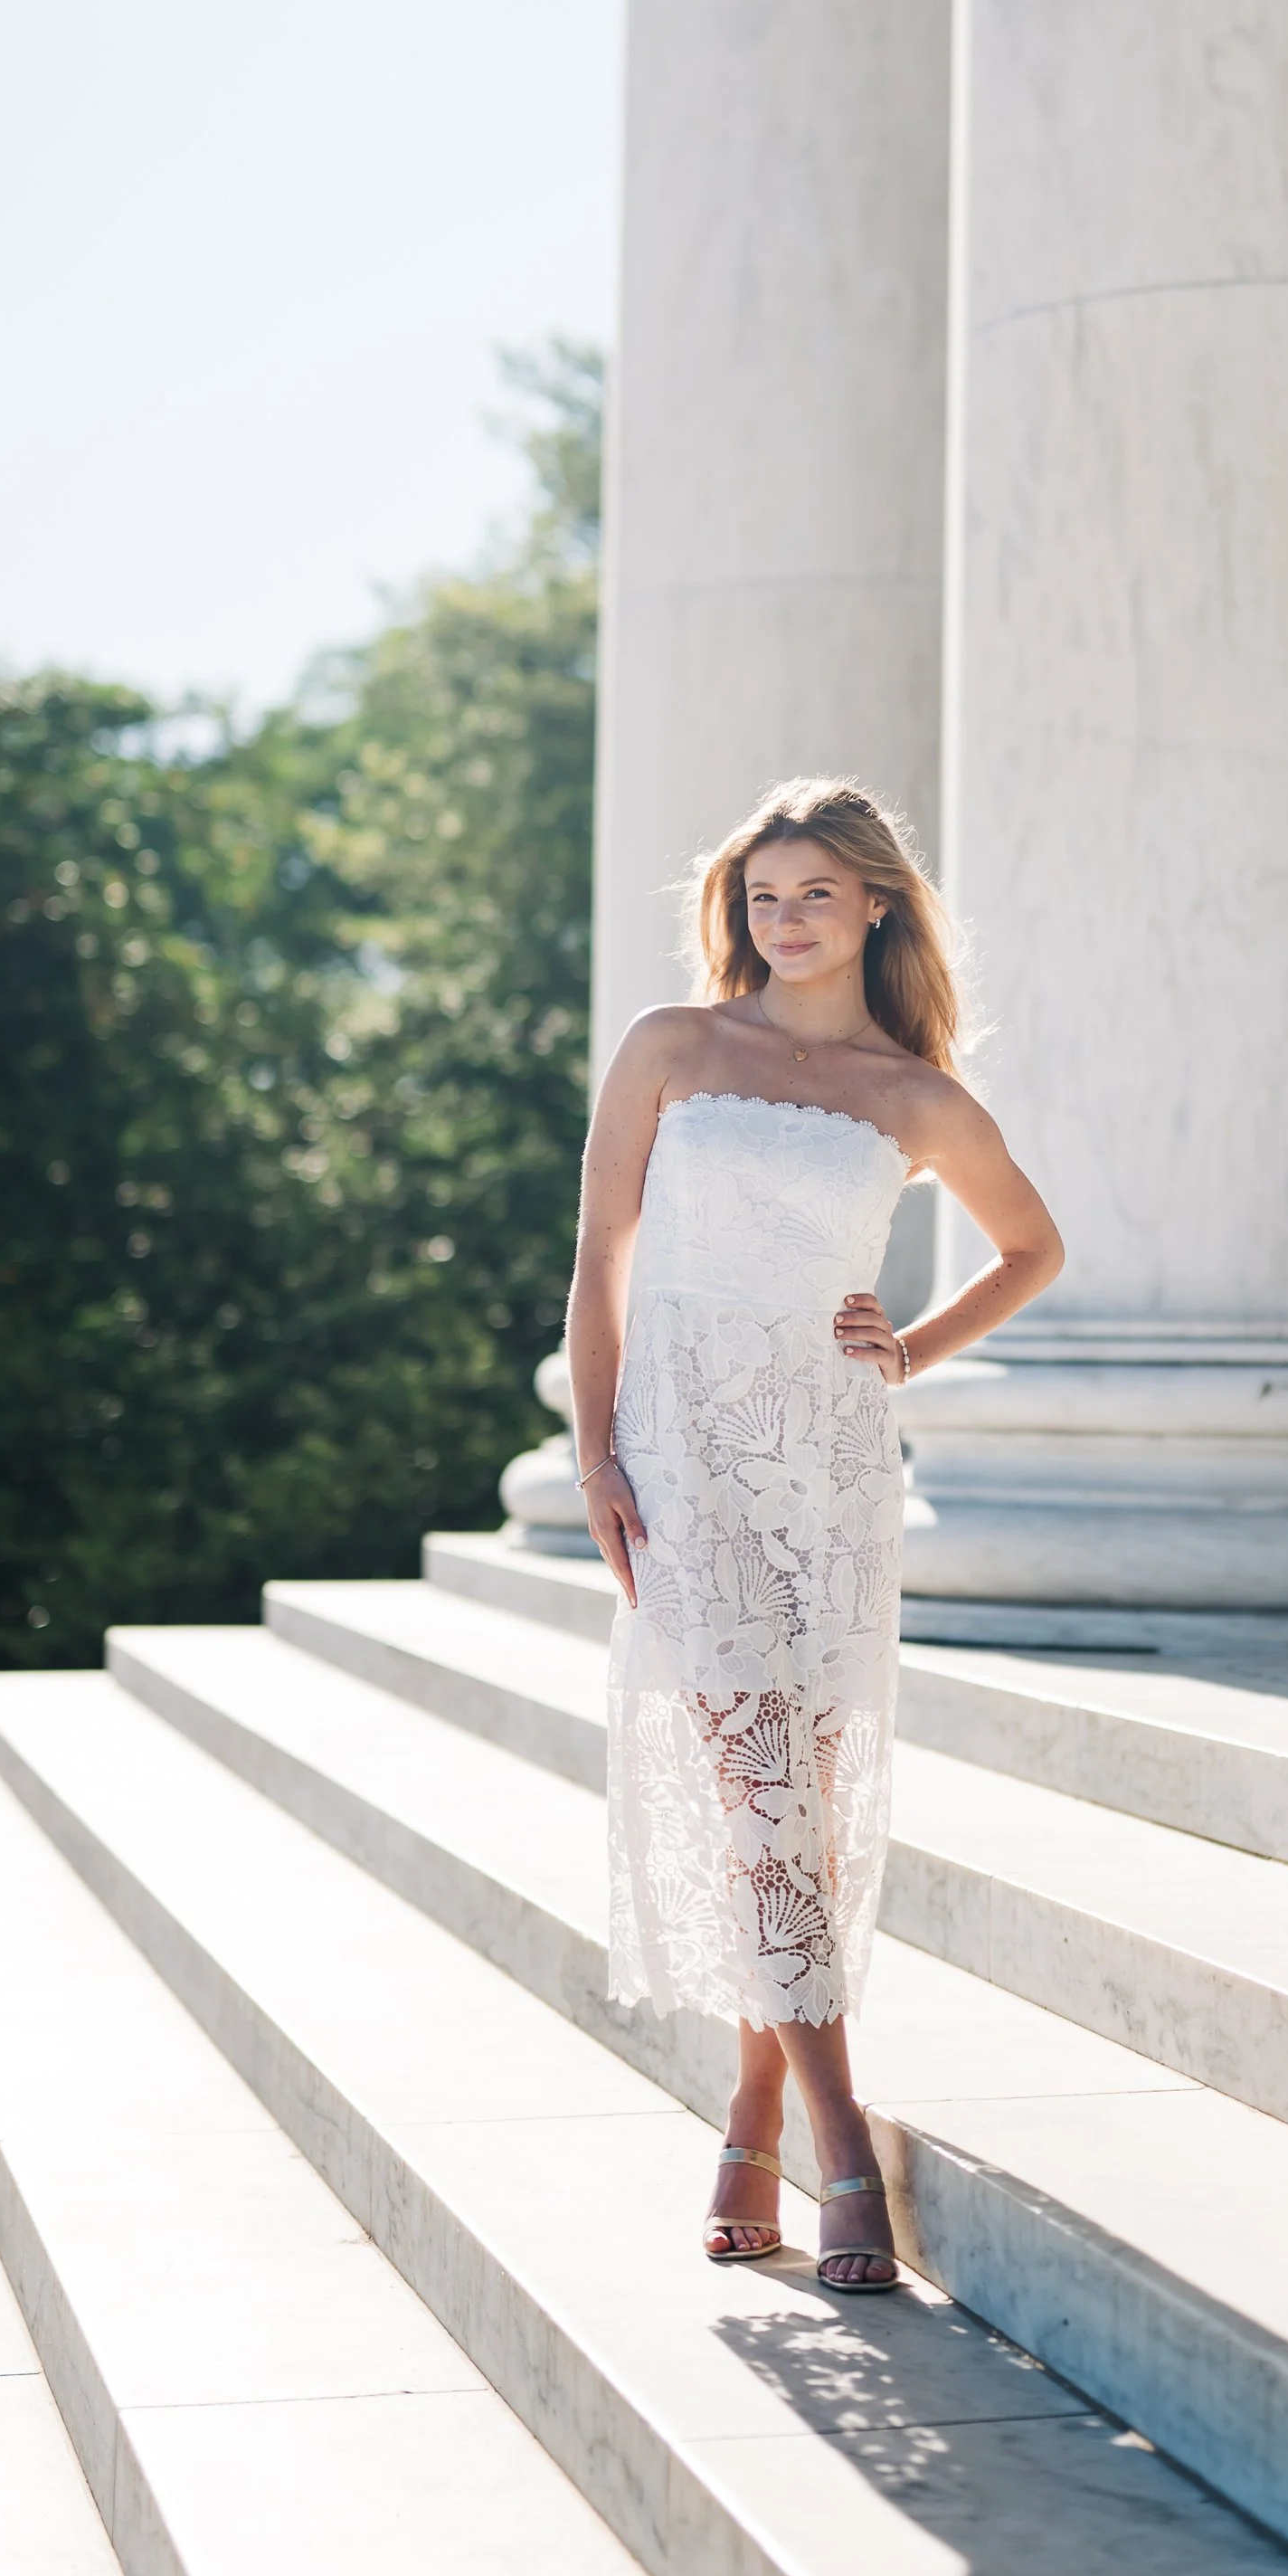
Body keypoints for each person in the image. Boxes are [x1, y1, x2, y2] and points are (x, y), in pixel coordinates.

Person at [565, 777, 1063, 2290]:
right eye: (763, 896)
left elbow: (1031, 1247)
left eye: (815, 894)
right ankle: (842, 2143)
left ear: (875, 904)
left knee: (806, 1797)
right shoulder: (670, 1045)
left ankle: (753, 2104)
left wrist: (909, 1348)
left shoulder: (913, 1095)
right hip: (685, 1452)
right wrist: (597, 1449)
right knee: (756, 1781)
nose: (784, 920)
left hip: (831, 1466)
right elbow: (599, 1255)